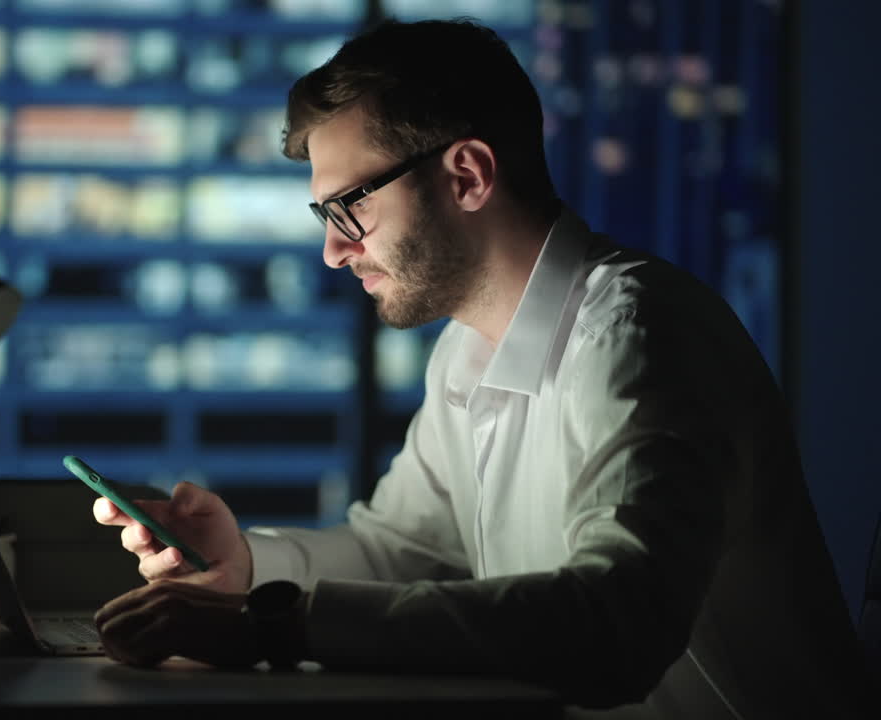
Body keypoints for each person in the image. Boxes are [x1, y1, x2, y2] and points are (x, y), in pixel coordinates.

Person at [90, 18, 872, 719]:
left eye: (348, 207)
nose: (333, 249)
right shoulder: (469, 346)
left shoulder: (638, 333)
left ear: (466, 174)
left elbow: (617, 626)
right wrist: (246, 565)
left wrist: (276, 627)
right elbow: (405, 553)